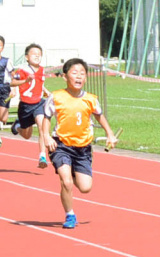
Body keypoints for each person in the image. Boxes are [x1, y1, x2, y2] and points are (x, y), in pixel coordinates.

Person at [42, 57, 118, 230]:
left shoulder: (91, 99)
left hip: (83, 148)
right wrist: (46, 136)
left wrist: (110, 134)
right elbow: (46, 118)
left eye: (82, 73)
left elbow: (99, 116)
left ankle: (72, 172)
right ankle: (70, 214)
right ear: (65, 76)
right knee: (66, 182)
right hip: (61, 145)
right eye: (74, 73)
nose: (78, 76)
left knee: (85, 187)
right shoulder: (56, 97)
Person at [9, 42, 52, 167]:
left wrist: (46, 92)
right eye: (34, 54)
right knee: (27, 135)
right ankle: (17, 126)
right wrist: (25, 80)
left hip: (39, 103)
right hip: (25, 106)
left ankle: (42, 156)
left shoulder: (42, 70)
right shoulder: (22, 70)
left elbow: (40, 84)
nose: (37, 56)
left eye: (39, 54)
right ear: (27, 57)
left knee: (41, 126)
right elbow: (12, 83)